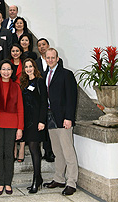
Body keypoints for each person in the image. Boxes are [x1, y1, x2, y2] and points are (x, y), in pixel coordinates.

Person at [43, 48, 78, 196]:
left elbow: (72, 98)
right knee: (57, 151)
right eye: (48, 58)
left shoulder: (66, 74)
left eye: (53, 57)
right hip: (50, 117)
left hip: (63, 118)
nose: (50, 60)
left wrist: (69, 118)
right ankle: (59, 178)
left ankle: (71, 182)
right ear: (45, 58)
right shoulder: (45, 74)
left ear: (58, 58)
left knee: (68, 152)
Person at [0, 59, 24, 196]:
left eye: (8, 69)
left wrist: (20, 128)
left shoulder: (16, 86)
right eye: (3, 69)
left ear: (12, 71)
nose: (6, 72)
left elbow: (20, 108)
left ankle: (8, 182)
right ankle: (0, 182)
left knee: (9, 154)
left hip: (12, 124)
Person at [20, 58, 48, 194]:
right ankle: (39, 178)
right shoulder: (24, 83)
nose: (28, 69)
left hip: (37, 121)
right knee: (32, 150)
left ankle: (36, 180)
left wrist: (42, 121)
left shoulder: (39, 81)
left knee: (34, 149)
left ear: (34, 67)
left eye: (30, 66)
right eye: (26, 67)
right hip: (27, 121)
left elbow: (44, 102)